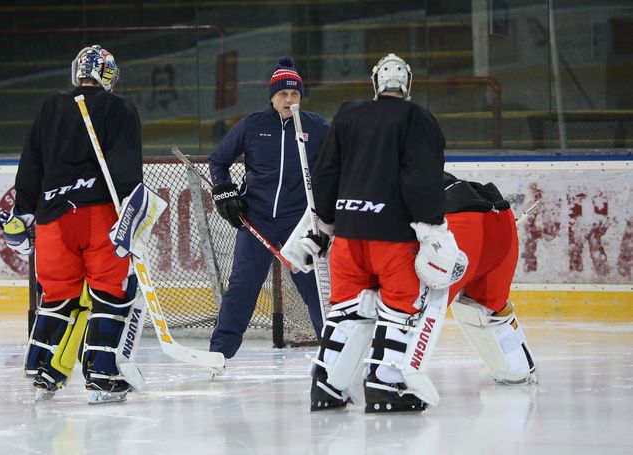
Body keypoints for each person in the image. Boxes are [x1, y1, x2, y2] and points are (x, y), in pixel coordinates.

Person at [298, 53, 468, 413]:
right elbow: (420, 179)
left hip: (348, 239)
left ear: (375, 83)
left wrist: (325, 227)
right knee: (398, 312)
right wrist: (432, 228)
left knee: (346, 313)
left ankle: (328, 385)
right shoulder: (417, 118)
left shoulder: (347, 113)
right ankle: (385, 386)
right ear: (408, 84)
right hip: (395, 242)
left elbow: (325, 173)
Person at [0, 45, 146, 404]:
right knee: (111, 294)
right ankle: (102, 375)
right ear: (108, 74)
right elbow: (126, 166)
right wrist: (130, 207)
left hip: (52, 219)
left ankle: (44, 369)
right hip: (100, 216)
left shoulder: (50, 105)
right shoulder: (120, 107)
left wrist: (26, 211)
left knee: (58, 294)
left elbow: (31, 161)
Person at [208, 56, 329, 359]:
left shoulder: (317, 128)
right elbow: (218, 160)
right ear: (272, 97)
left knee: (315, 291)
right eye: (283, 94)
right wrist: (225, 193)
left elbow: (337, 167)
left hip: (298, 225)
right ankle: (219, 353)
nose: (289, 99)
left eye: (295, 94)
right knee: (242, 288)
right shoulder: (252, 125)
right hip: (256, 218)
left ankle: (332, 352)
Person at [443, 171, 538, 385]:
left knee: (408, 307)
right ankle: (516, 368)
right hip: (500, 217)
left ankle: (389, 378)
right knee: (486, 308)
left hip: (461, 223)